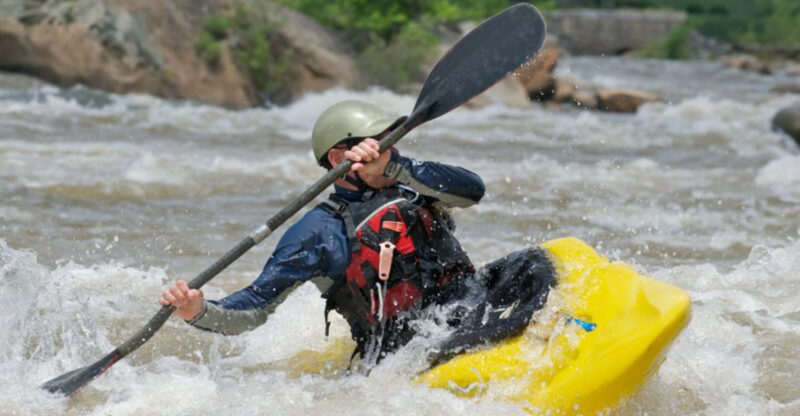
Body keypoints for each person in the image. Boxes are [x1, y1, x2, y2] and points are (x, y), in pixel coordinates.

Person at [160, 100, 556, 367]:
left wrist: (397, 167)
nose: (393, 152)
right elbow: (256, 307)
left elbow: (473, 191)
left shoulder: (412, 183)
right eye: (383, 143)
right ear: (338, 157)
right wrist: (198, 310)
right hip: (410, 349)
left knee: (535, 260)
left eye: (393, 143)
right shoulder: (318, 232)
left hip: (466, 304)